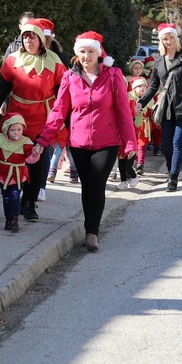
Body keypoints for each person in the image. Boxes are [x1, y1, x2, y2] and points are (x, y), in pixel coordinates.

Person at [36, 32, 134, 253]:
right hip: (79, 142)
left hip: (107, 141)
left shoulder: (113, 75)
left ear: (98, 53)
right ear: (76, 54)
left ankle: (92, 232)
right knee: (87, 185)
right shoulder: (69, 78)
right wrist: (44, 139)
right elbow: (58, 112)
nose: (86, 56)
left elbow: (123, 112)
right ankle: (89, 226)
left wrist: (129, 143)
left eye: (91, 52)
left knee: (97, 182)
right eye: (82, 52)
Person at [0, 16, 66, 223]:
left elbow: (64, 96)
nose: (28, 41)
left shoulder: (55, 62)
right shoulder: (13, 61)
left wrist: (65, 120)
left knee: (37, 162)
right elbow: (1, 90)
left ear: (40, 39)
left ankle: (29, 203)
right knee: (15, 158)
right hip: (16, 119)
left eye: (32, 37)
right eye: (25, 37)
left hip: (42, 118)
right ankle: (14, 198)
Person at [137, 24, 182, 191]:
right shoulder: (158, 60)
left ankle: (173, 177)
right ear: (161, 40)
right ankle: (170, 168)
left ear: (176, 39)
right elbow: (153, 86)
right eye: (165, 38)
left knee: (178, 142)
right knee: (166, 145)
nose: (168, 41)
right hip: (167, 108)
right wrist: (140, 103)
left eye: (171, 38)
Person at [0, 113, 34, 232]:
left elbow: (31, 159)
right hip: (3, 175)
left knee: (15, 196)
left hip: (19, 175)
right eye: (13, 130)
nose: (16, 132)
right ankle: (8, 219)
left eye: (19, 129)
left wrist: (36, 153)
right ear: (6, 130)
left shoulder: (26, 142)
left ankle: (15, 219)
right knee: (6, 197)